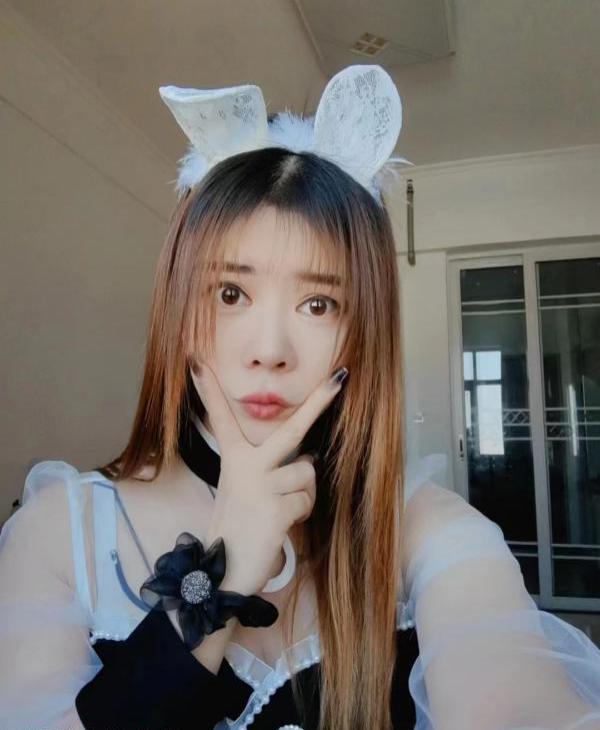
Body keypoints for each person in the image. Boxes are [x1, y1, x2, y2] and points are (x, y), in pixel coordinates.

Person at [1, 64, 599, 730]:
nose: (270, 348)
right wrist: (221, 573)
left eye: (319, 304)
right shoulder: (61, 532)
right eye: (231, 294)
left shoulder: (424, 530)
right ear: (178, 309)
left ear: (361, 333)